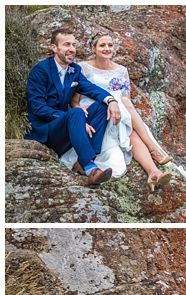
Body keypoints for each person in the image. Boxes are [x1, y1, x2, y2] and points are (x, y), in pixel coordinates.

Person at [72, 30, 174, 192]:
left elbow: (126, 100)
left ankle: (153, 172)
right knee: (121, 106)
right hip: (94, 115)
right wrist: (81, 118)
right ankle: (153, 150)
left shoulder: (121, 70)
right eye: (102, 45)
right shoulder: (83, 68)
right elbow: (74, 101)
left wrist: (116, 103)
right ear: (93, 48)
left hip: (118, 115)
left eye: (110, 45)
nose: (107, 48)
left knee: (127, 120)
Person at [24, 27, 120, 188]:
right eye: (66, 44)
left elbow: (90, 88)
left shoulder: (74, 70)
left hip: (65, 126)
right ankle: (89, 168)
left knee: (101, 107)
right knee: (76, 112)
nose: (72, 49)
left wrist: (111, 100)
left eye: (74, 45)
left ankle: (86, 160)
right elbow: (38, 108)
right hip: (46, 131)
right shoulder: (40, 71)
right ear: (54, 48)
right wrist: (71, 118)